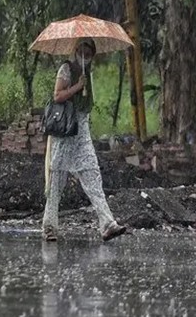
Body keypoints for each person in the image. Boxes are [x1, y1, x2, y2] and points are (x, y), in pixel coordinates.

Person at [42, 38, 127, 242]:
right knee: (57, 182)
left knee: (92, 175)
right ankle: (49, 227)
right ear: (76, 50)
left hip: (82, 133)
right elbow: (57, 96)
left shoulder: (87, 73)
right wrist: (77, 87)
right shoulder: (67, 69)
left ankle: (107, 224)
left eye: (89, 52)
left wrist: (84, 83)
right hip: (65, 134)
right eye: (82, 50)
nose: (85, 55)